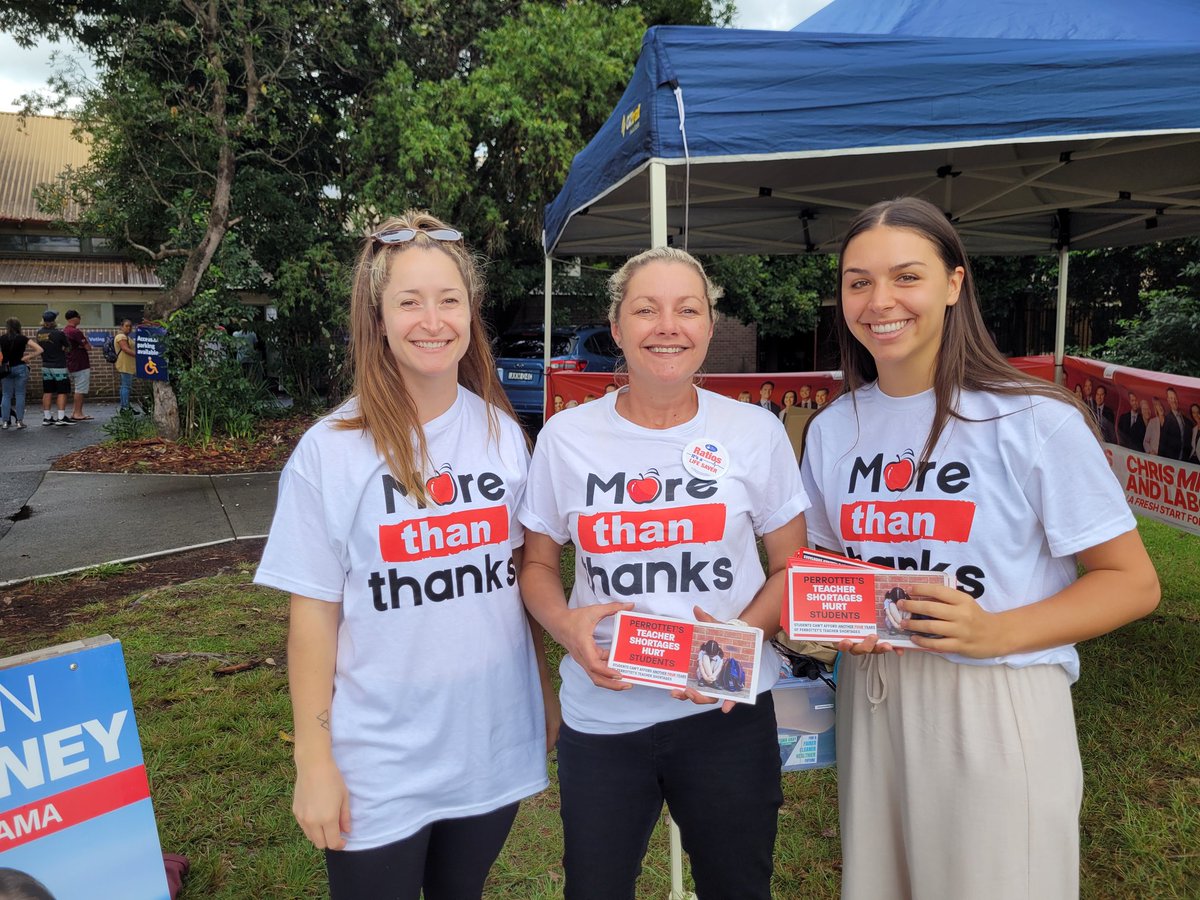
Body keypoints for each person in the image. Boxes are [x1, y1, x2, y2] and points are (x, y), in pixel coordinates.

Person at [799, 197, 1159, 900]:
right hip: (874, 700)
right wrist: (837, 616)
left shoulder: (1034, 418)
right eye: (858, 281)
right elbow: (827, 568)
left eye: (907, 277)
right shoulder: (832, 429)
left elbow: (1133, 582)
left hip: (999, 697)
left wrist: (995, 632)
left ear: (955, 284)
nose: (880, 302)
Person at [254, 211, 556, 900]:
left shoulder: (500, 434)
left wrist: (541, 691)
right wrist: (313, 759)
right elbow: (313, 616)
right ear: (378, 317)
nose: (432, 319)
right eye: (409, 301)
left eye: (449, 300)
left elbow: (513, 580)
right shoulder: (330, 451)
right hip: (379, 760)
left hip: (489, 739)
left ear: (471, 313)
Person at [519, 246, 808, 899]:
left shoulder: (753, 432)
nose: (667, 326)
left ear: (709, 325)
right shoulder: (567, 439)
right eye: (646, 310)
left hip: (725, 708)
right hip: (605, 714)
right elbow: (536, 563)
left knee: (737, 887)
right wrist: (566, 626)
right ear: (617, 328)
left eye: (687, 309)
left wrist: (733, 643)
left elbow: (792, 564)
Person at [1, 317, 43, 430]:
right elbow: (40, 349)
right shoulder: (23, 338)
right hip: (20, 367)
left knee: (6, 395)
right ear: (18, 326)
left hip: (6, 369)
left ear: (7, 327)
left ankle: (5, 422)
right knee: (20, 394)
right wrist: (28, 356)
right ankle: (19, 421)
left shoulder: (2, 338)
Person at [35, 311, 74, 426]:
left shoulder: (39, 333)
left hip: (46, 366)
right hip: (59, 366)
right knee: (62, 391)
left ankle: (47, 418)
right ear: (54, 321)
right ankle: (61, 417)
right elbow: (68, 348)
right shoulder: (59, 333)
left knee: (47, 391)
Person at [62, 310, 93, 421]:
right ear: (74, 318)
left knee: (70, 389)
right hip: (80, 363)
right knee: (80, 389)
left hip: (68, 362)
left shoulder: (64, 331)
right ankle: (78, 413)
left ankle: (74, 412)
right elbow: (88, 347)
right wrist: (82, 346)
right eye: (79, 317)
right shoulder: (76, 332)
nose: (80, 319)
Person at [1160, 386, 1192, 461]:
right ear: (1168, 400)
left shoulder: (1186, 420)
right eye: (1171, 398)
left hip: (1185, 460)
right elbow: (1162, 442)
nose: (1173, 400)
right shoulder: (1167, 419)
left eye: (1175, 398)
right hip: (1171, 460)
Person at [114, 319, 137, 411]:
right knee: (125, 386)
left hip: (128, 365)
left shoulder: (128, 337)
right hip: (124, 365)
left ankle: (126, 405)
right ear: (121, 327)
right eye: (126, 326)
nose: (129, 328)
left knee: (126, 386)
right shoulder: (121, 336)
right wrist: (139, 356)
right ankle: (125, 408)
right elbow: (125, 349)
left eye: (130, 326)